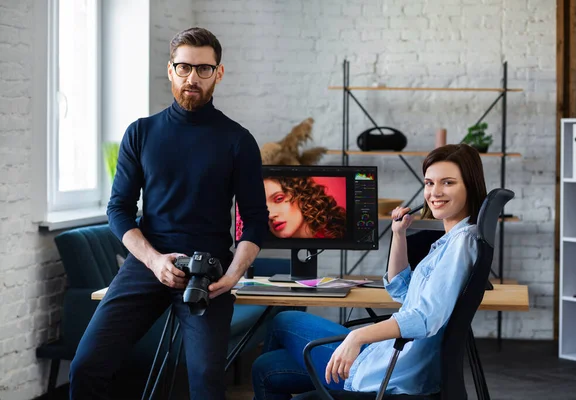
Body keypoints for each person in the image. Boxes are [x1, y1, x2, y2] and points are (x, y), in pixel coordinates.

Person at [69, 27, 269, 400]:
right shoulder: (141, 133)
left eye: (203, 69)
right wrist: (153, 260)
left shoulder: (237, 140)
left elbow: (255, 220)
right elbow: (119, 209)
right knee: (86, 367)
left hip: (209, 272)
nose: (192, 78)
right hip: (147, 263)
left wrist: (232, 276)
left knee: (207, 379)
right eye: (184, 67)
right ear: (170, 70)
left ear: (218, 73)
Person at [251, 143, 488, 399]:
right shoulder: (454, 240)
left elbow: (424, 318)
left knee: (285, 320)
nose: (435, 192)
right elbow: (402, 291)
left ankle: (325, 390)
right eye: (429, 183)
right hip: (385, 354)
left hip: (387, 371)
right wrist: (399, 234)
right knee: (266, 367)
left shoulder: (460, 246)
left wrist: (358, 337)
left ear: (470, 186)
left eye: (448, 183)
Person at [263, 176, 346, 239]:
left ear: (301, 194)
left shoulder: (338, 235)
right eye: (262, 206)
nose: (270, 215)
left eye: (279, 199)